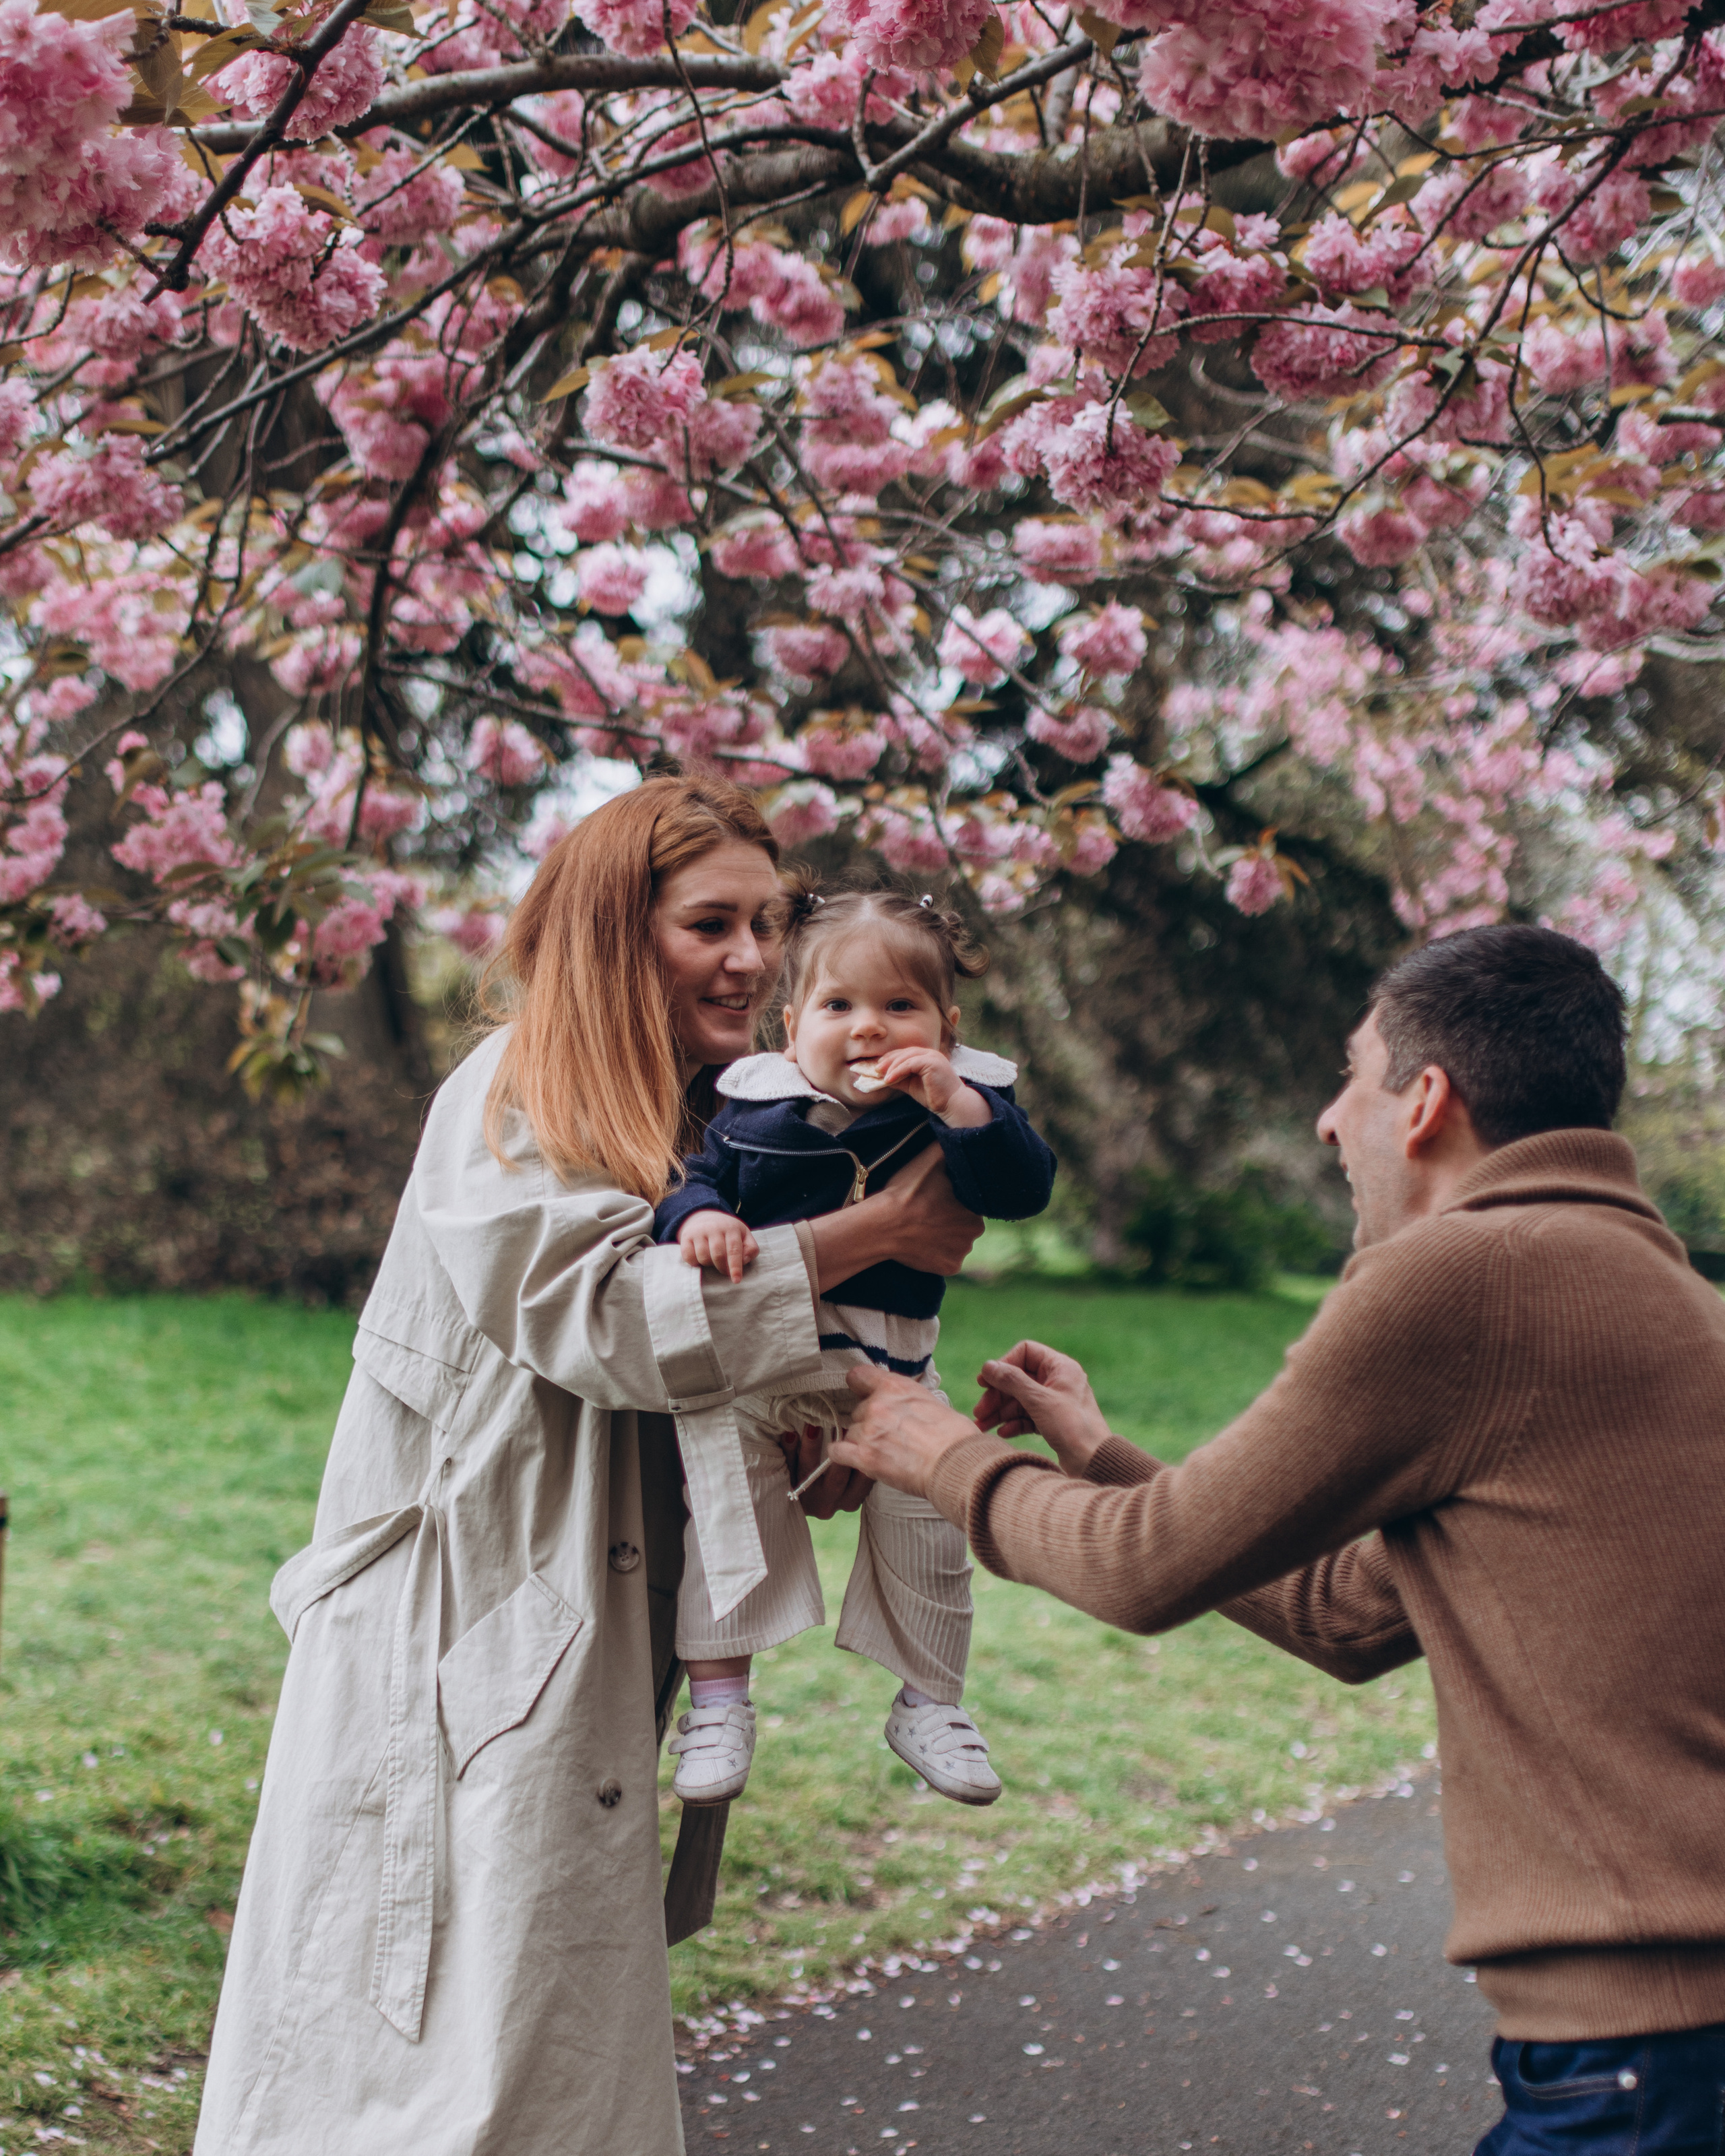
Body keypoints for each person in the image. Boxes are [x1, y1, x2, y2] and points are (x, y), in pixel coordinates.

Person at [829, 923, 1725, 2155]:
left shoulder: (1469, 1276)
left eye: (1353, 1076)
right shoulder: (1658, 1295)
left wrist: (939, 1452)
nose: (1325, 1118)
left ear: (1426, 1104)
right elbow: (1351, 1616)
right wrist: (1099, 1453)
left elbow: (1143, 1570)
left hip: (1645, 2046)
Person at [193, 775, 980, 2156]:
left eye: (766, 922)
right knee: (425, 2062)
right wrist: (880, 1231)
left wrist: (825, 1444)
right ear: (619, 930)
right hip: (458, 1642)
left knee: (530, 2048)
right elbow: (609, 1324)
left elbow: (701, 1386)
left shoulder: (699, 1122)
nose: (750, 958)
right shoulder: (512, 1095)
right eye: (708, 924)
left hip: (578, 1632)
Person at [652, 885, 1057, 1810]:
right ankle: (718, 1699)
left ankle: (929, 1698)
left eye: (899, 1007)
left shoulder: (953, 1112)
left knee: (931, 1521)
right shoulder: (753, 1111)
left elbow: (1021, 1188)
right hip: (759, 1375)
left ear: (946, 1027)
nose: (868, 1030)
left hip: (893, 1378)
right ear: (793, 1026)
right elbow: (687, 1182)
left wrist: (958, 1102)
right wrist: (704, 1215)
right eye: (840, 1007)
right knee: (724, 1514)